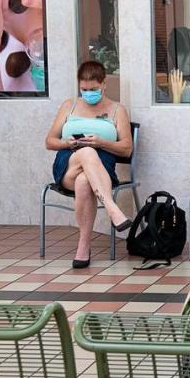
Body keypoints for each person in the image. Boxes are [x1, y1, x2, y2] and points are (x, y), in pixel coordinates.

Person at [44, 61, 133, 268]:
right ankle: (112, 209)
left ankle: (83, 247)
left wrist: (101, 142)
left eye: (93, 89)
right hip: (68, 165)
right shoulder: (69, 106)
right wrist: (68, 142)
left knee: (85, 181)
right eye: (84, 89)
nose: (88, 93)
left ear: (104, 85)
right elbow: (50, 141)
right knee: (85, 151)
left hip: (101, 168)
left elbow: (127, 149)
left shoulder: (117, 110)